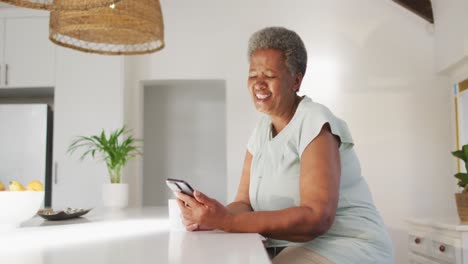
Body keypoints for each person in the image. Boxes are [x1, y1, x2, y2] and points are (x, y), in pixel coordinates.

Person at [176, 26, 394, 264]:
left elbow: (316, 217)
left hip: (345, 245)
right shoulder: (260, 131)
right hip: (295, 247)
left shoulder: (315, 122)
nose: (258, 84)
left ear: (296, 81)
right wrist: (211, 216)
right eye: (252, 75)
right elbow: (244, 204)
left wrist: (226, 222)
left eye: (269, 76)